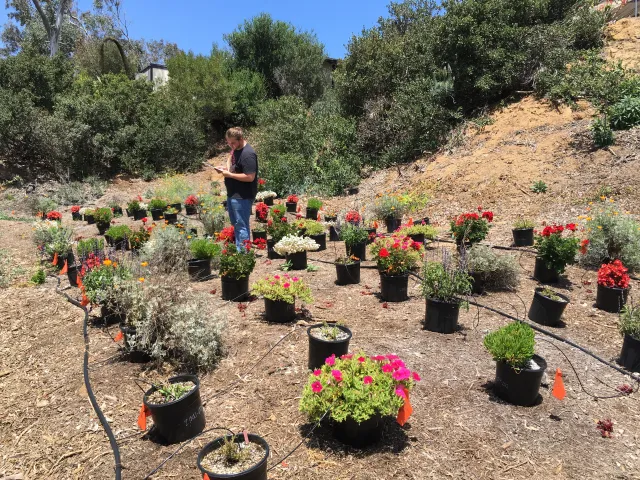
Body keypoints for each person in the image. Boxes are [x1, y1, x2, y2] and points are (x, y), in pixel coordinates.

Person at [214, 127, 258, 250]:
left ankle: (243, 255)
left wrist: (230, 175)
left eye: (233, 142)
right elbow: (231, 160)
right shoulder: (235, 150)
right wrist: (225, 169)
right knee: (236, 224)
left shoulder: (248, 154)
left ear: (241, 139)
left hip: (243, 195)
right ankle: (241, 252)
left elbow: (250, 177)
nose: (230, 145)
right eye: (228, 142)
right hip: (233, 194)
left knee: (241, 225)